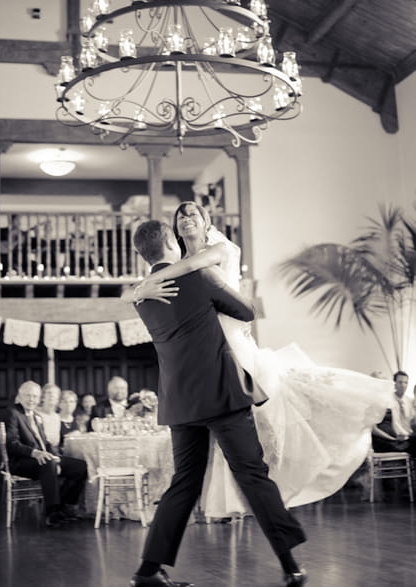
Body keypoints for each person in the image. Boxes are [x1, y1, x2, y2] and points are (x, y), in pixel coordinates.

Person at [136, 201, 393, 514]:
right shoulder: (182, 262)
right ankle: (244, 493)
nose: (186, 219)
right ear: (175, 229)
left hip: (230, 338)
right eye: (180, 217)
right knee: (227, 436)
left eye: (193, 214)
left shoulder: (221, 250)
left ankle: (280, 477)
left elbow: (194, 273)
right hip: (202, 342)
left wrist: (140, 287)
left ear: (206, 222)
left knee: (267, 412)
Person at [130, 220, 307, 587]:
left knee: (184, 484)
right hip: (220, 392)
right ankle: (291, 566)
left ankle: (147, 570)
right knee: (252, 475)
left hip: (180, 400)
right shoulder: (198, 276)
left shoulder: (141, 295)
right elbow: (245, 311)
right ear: (168, 241)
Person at [4, 380, 87, 528]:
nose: (31, 399)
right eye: (28, 396)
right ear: (20, 396)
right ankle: (52, 513)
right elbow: (12, 443)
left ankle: (64, 506)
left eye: (35, 396)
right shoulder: (13, 412)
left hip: (42, 457)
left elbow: (46, 443)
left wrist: (55, 456)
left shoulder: (36, 415)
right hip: (21, 461)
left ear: (39, 398)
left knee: (80, 467)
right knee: (48, 464)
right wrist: (35, 453)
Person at [37, 383, 62, 452]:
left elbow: (56, 442)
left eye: (55, 393)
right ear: (43, 397)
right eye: (49, 393)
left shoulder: (57, 417)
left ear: (58, 399)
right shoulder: (36, 414)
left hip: (54, 451)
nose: (52, 395)